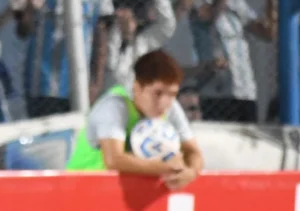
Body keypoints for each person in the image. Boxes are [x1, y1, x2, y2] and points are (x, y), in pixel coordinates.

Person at [66, 50, 204, 191]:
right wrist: (168, 167)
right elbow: (114, 160)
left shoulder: (171, 107)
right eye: (157, 93)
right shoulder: (114, 105)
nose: (164, 102)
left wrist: (191, 172)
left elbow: (193, 152)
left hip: (123, 194)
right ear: (137, 87)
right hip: (82, 190)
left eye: (172, 94)